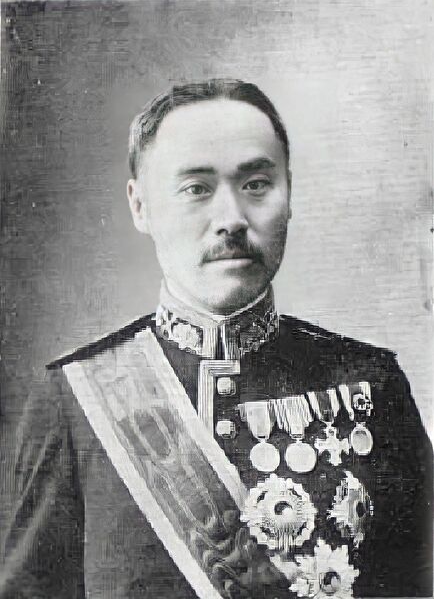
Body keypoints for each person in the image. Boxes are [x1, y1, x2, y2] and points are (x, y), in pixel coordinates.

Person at [0, 79, 432, 599]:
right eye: (196, 189)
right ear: (140, 206)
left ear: (289, 195)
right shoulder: (72, 404)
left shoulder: (371, 385)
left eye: (256, 184)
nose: (231, 219)